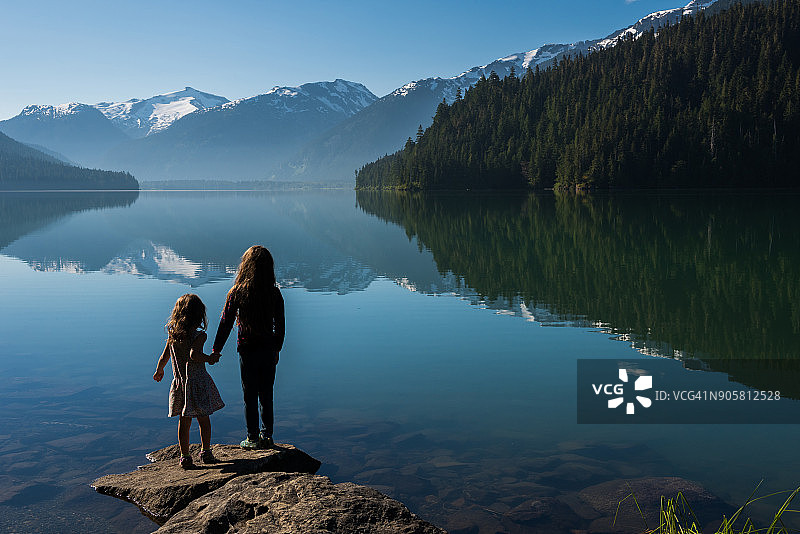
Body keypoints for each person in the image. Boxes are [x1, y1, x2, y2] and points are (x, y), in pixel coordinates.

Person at [211, 245, 285, 450]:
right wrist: (277, 348)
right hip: (269, 350)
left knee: (249, 395)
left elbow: (225, 323)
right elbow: (280, 325)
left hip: (247, 350)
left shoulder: (236, 292)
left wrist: (216, 350)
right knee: (267, 394)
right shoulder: (274, 293)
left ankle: (252, 437)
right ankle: (267, 435)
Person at [153, 293, 224, 469]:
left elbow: (164, 356)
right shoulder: (199, 336)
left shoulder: (173, 334)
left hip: (181, 383)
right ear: (199, 315)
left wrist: (159, 370)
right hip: (197, 382)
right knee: (204, 419)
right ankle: (206, 452)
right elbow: (194, 355)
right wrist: (210, 359)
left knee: (184, 422)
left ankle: (184, 456)